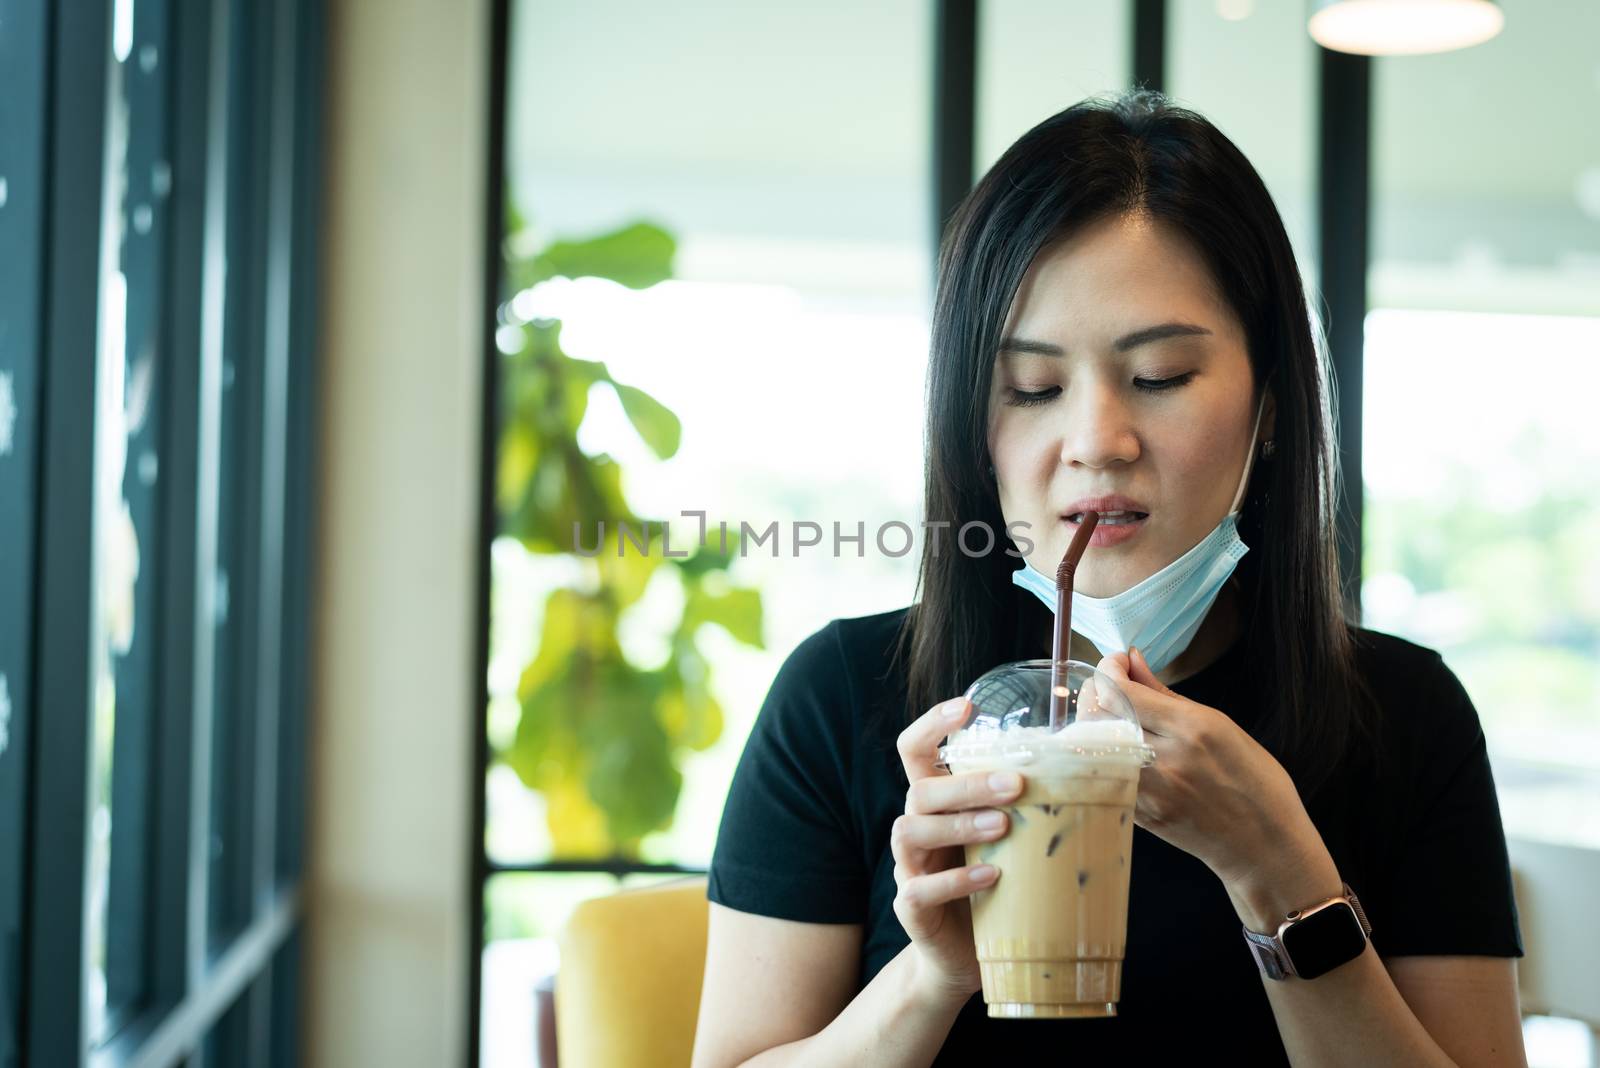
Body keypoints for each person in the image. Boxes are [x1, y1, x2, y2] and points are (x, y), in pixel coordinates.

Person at [690, 89, 1526, 1067]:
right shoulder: (842, 696)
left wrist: (1278, 869)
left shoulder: (1402, 715)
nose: (1095, 442)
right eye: (1034, 389)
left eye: (1162, 374)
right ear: (973, 426)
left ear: (1269, 407)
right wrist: (931, 977)